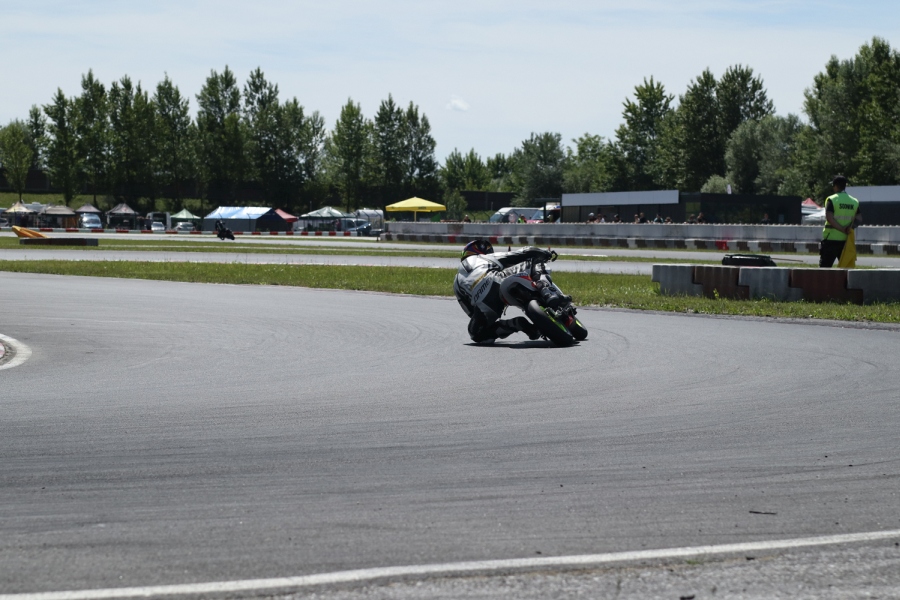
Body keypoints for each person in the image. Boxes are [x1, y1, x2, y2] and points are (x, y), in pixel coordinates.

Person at [453, 240, 556, 344]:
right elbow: (519, 254)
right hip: (497, 280)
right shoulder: (484, 257)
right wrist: (544, 253)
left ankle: (516, 324)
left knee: (476, 334)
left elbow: (468, 310)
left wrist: (481, 316)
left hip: (484, 304)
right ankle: (546, 291)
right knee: (534, 261)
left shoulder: (456, 281)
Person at [819, 175, 862, 268]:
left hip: (831, 239)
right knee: (845, 268)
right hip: (846, 240)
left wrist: (842, 229)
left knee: (825, 268)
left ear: (835, 186)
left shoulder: (832, 199)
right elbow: (859, 218)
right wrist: (850, 228)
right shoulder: (854, 201)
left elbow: (829, 218)